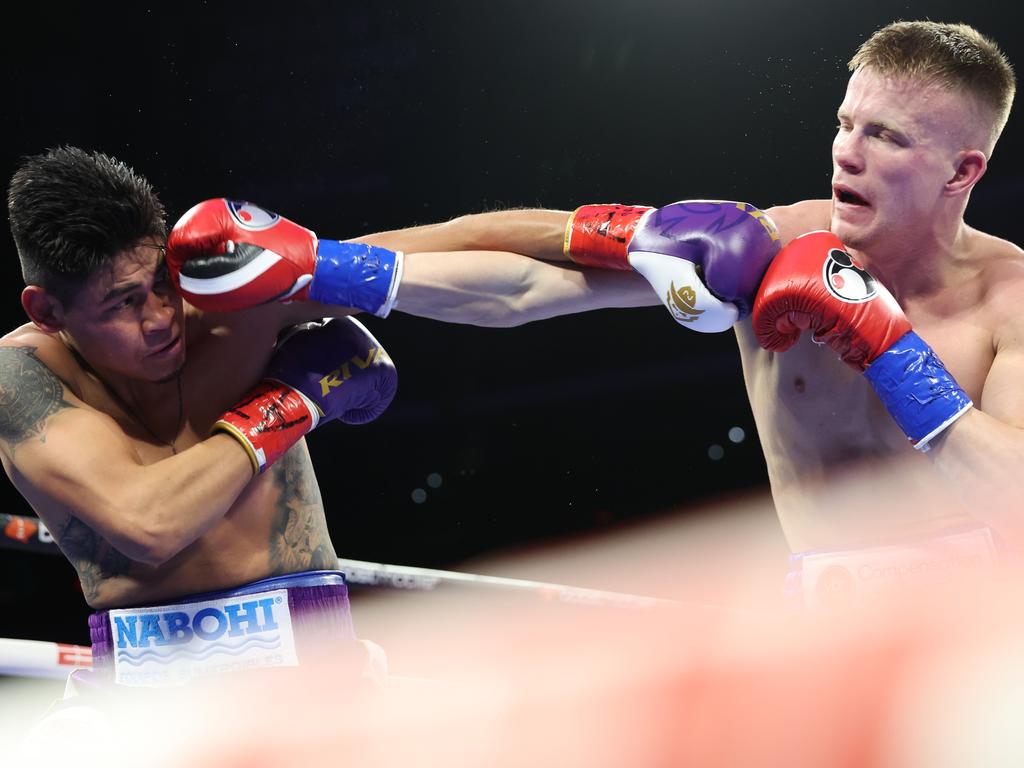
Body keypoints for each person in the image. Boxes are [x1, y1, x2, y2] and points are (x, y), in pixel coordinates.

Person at [1, 147, 659, 686]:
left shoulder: (231, 304)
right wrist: (292, 401)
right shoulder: (21, 380)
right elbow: (149, 522)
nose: (161, 319)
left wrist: (642, 245)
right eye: (121, 304)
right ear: (48, 312)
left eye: (162, 285)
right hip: (146, 697)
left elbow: (444, 248)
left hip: (313, 665)